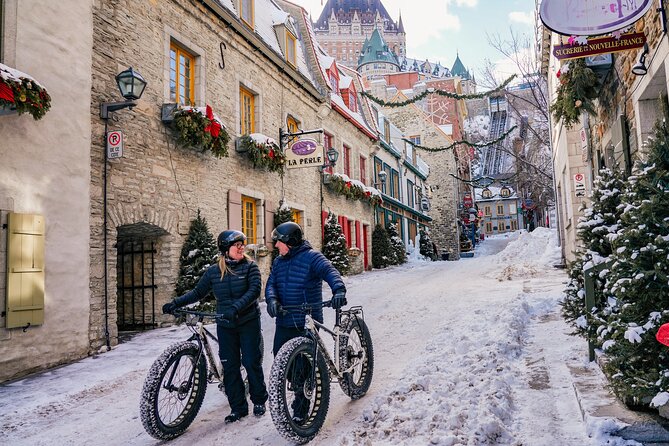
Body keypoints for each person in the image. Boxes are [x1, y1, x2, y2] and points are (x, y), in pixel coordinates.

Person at [162, 230, 268, 423]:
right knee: (230, 366)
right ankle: (238, 407)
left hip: (247, 321)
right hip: (225, 323)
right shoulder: (213, 271)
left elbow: (254, 291)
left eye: (242, 244)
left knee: (251, 362)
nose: (241, 247)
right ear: (225, 249)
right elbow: (198, 292)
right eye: (237, 245)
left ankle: (259, 400)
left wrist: (236, 307)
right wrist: (176, 303)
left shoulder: (250, 267)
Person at [264, 221, 346, 423]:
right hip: (284, 320)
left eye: (279, 242)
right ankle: (299, 389)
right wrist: (272, 300)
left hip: (306, 320)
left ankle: (301, 406)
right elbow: (271, 284)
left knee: (302, 365)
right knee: (282, 361)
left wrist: (339, 290)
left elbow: (329, 271)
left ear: (289, 242)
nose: (276, 246)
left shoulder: (312, 257)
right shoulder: (278, 262)